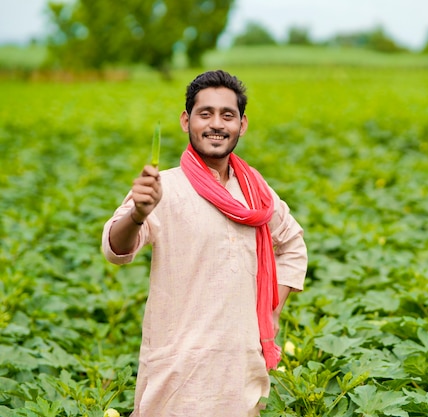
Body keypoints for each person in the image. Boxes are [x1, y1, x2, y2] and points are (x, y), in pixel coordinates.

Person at [101, 70, 308, 416]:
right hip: (179, 372)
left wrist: (272, 312)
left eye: (227, 115)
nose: (217, 124)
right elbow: (116, 250)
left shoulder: (256, 192)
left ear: (242, 125)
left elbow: (292, 245)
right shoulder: (162, 188)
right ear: (186, 121)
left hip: (241, 370)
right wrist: (137, 213)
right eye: (205, 113)